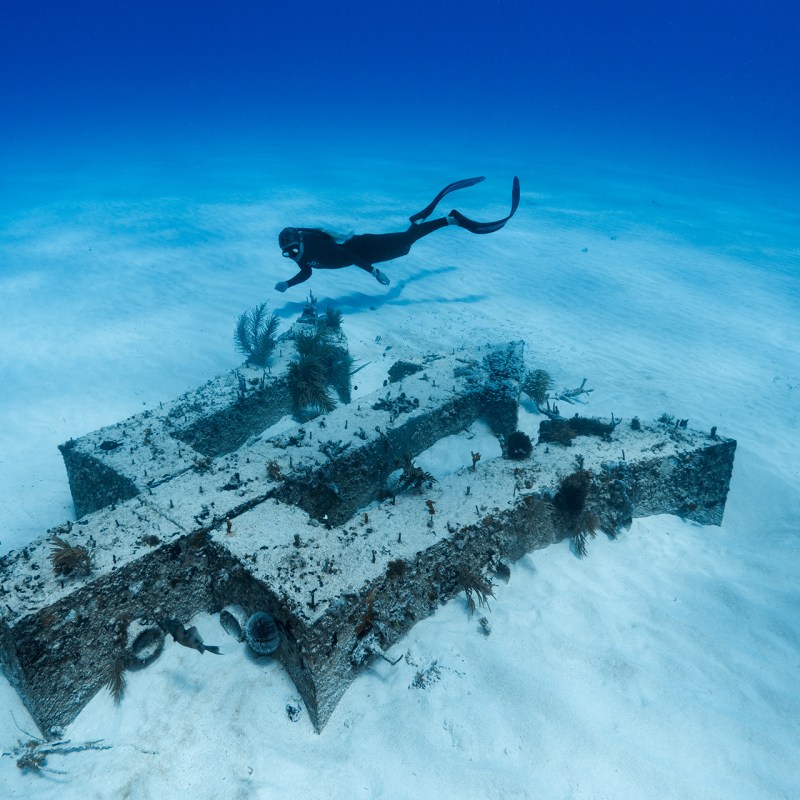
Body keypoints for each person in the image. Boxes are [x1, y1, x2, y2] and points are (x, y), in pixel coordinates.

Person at [275, 176, 520, 292]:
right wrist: (288, 283)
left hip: (365, 248)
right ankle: (439, 219)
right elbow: (306, 271)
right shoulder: (302, 256)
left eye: (293, 251)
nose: (293, 256)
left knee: (405, 243)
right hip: (365, 253)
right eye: (288, 255)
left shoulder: (317, 247)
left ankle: (450, 219)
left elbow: (347, 257)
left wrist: (375, 273)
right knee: (405, 246)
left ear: (299, 242)